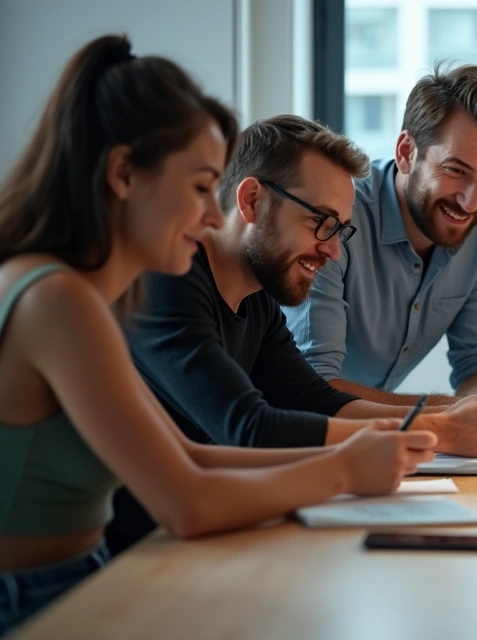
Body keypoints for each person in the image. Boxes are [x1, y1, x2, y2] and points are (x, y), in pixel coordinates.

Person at [0, 35, 437, 633]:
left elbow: (189, 455)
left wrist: (363, 448)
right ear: (124, 174)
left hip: (79, 575)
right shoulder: (61, 300)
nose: (213, 216)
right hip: (36, 599)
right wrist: (345, 468)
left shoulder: (83, 295)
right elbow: (186, 502)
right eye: (201, 187)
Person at [109, 115, 477, 553]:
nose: (333, 251)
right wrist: (440, 431)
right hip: (128, 554)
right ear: (252, 200)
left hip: (193, 539)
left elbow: (317, 399)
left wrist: (440, 423)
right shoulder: (164, 279)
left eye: (341, 230)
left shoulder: (255, 299)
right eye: (322, 223)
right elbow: (249, 427)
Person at [284, 63, 477, 410]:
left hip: (371, 439)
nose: (471, 201)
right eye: (455, 170)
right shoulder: (338, 218)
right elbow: (315, 387)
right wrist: (454, 414)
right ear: (406, 152)